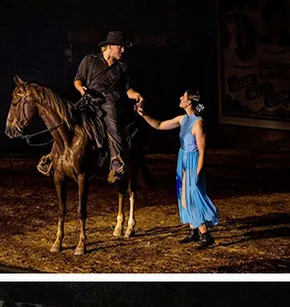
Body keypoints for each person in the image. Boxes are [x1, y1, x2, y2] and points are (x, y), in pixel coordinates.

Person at [138, 90, 218, 248]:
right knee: (183, 196)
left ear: (189, 102)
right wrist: (144, 114)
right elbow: (159, 125)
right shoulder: (183, 119)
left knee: (191, 198)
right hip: (182, 158)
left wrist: (196, 174)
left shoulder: (198, 124)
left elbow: (202, 152)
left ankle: (206, 235)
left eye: (183, 96)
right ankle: (194, 231)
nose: (180, 98)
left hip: (193, 161)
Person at [74, 31, 145, 183]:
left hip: (109, 101)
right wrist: (81, 88)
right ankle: (53, 157)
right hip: (89, 98)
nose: (123, 51)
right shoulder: (89, 60)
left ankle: (115, 161)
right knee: (68, 117)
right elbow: (78, 79)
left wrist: (137, 95)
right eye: (120, 47)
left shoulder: (121, 68)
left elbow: (127, 90)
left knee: (112, 122)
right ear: (110, 46)